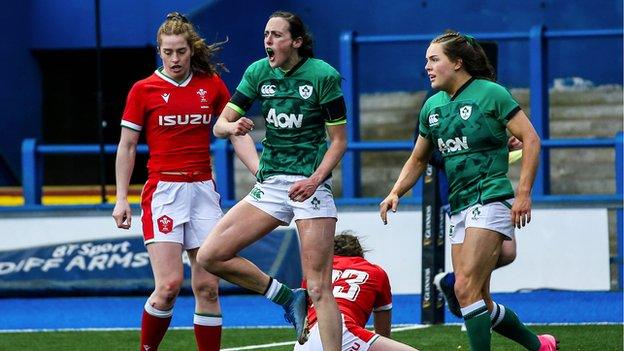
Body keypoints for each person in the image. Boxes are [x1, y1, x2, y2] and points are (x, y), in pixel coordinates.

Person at [379, 31, 558, 351]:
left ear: (458, 63)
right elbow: (418, 158)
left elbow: (531, 139)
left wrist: (523, 193)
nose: (427, 67)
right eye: (426, 61)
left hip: (490, 196)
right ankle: (539, 346)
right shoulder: (431, 106)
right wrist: (396, 192)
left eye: (434, 59)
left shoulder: (492, 94)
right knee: (477, 296)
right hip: (459, 205)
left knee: (465, 288)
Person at [196, 10, 346, 351]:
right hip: (273, 183)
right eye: (266, 35)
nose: (268, 41)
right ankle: (287, 297)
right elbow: (220, 125)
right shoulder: (258, 72)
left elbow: (338, 141)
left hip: (311, 184)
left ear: (296, 42)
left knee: (321, 287)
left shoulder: (323, 76)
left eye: (276, 35)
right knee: (210, 256)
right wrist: (232, 127)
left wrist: (315, 179)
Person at [112, 12, 253, 351]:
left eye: (180, 51)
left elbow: (234, 131)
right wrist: (121, 198)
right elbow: (127, 145)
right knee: (170, 286)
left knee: (208, 287)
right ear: (159, 51)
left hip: (203, 190)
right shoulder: (143, 90)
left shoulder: (211, 84)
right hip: (163, 191)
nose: (174, 59)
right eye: (167, 52)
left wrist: (257, 170)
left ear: (192, 50)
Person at [294, 232, 420, 351]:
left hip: (305, 342)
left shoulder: (316, 273)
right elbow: (383, 332)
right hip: (343, 331)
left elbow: (303, 315)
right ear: (360, 253)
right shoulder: (376, 272)